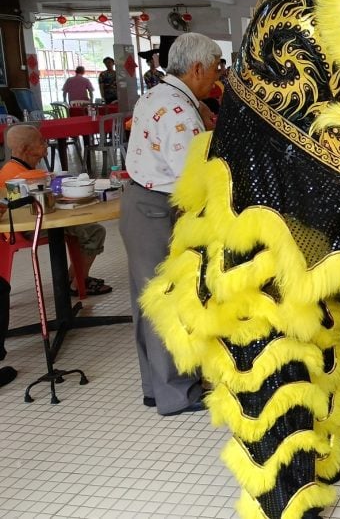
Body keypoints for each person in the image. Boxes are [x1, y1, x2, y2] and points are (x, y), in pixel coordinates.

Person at [122, 32, 221, 416]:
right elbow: (191, 179)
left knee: (147, 300)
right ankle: (176, 394)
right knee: (165, 299)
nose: (217, 77)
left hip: (141, 203)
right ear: (196, 68)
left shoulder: (162, 95)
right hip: (157, 209)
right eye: (214, 69)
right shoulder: (179, 113)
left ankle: (155, 387)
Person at [0, 125, 110, 296]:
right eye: (40, 142)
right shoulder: (20, 176)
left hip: (34, 222)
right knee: (94, 232)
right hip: (27, 227)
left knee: (88, 227)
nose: (46, 145)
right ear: (25, 148)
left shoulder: (18, 169)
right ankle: (77, 282)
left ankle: (73, 280)